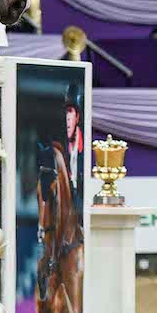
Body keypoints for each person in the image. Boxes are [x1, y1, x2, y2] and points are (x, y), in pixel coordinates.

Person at [61, 81, 85, 214]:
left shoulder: (86, 151)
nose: (68, 119)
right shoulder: (62, 150)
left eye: (71, 111)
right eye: (66, 113)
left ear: (77, 117)